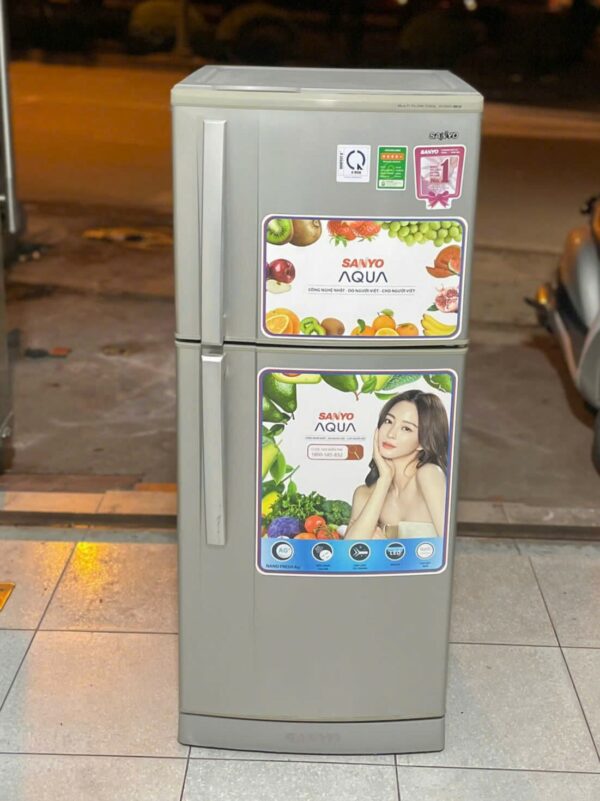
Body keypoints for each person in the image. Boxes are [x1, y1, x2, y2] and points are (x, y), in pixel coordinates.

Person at [345, 390, 448, 540]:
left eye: (406, 428)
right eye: (388, 421)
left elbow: (447, 547)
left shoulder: (429, 474)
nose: (391, 434)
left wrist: (383, 544)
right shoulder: (364, 494)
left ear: (422, 441)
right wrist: (384, 481)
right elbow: (349, 550)